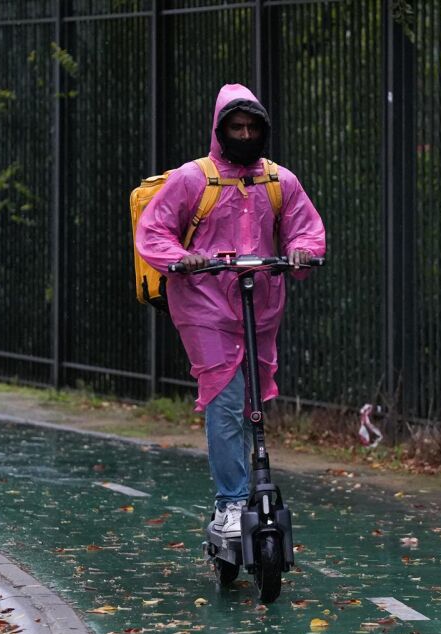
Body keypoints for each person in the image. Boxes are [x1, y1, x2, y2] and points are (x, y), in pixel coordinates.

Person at [135, 83, 326, 537]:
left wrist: (302, 252)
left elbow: (306, 229)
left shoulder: (279, 181)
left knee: (248, 404)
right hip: (202, 303)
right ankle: (232, 503)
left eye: (251, 127)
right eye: (236, 127)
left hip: (259, 303)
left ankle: (247, 491)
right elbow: (154, 231)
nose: (244, 135)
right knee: (224, 398)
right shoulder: (192, 179)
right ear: (220, 130)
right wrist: (183, 258)